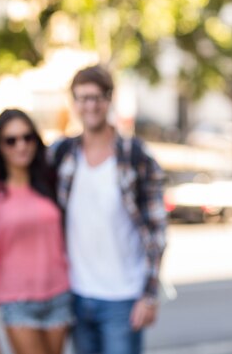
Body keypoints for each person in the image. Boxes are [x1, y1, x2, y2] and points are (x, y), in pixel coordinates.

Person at [48, 64, 167, 354]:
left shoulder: (136, 156)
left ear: (109, 99)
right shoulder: (61, 154)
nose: (90, 105)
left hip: (123, 299)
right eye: (82, 97)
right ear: (73, 102)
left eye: (97, 97)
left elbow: (157, 232)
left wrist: (149, 296)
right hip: (76, 296)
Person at [0, 109, 72, 354]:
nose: (20, 145)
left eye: (27, 137)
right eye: (11, 140)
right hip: (15, 298)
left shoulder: (51, 180)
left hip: (59, 293)